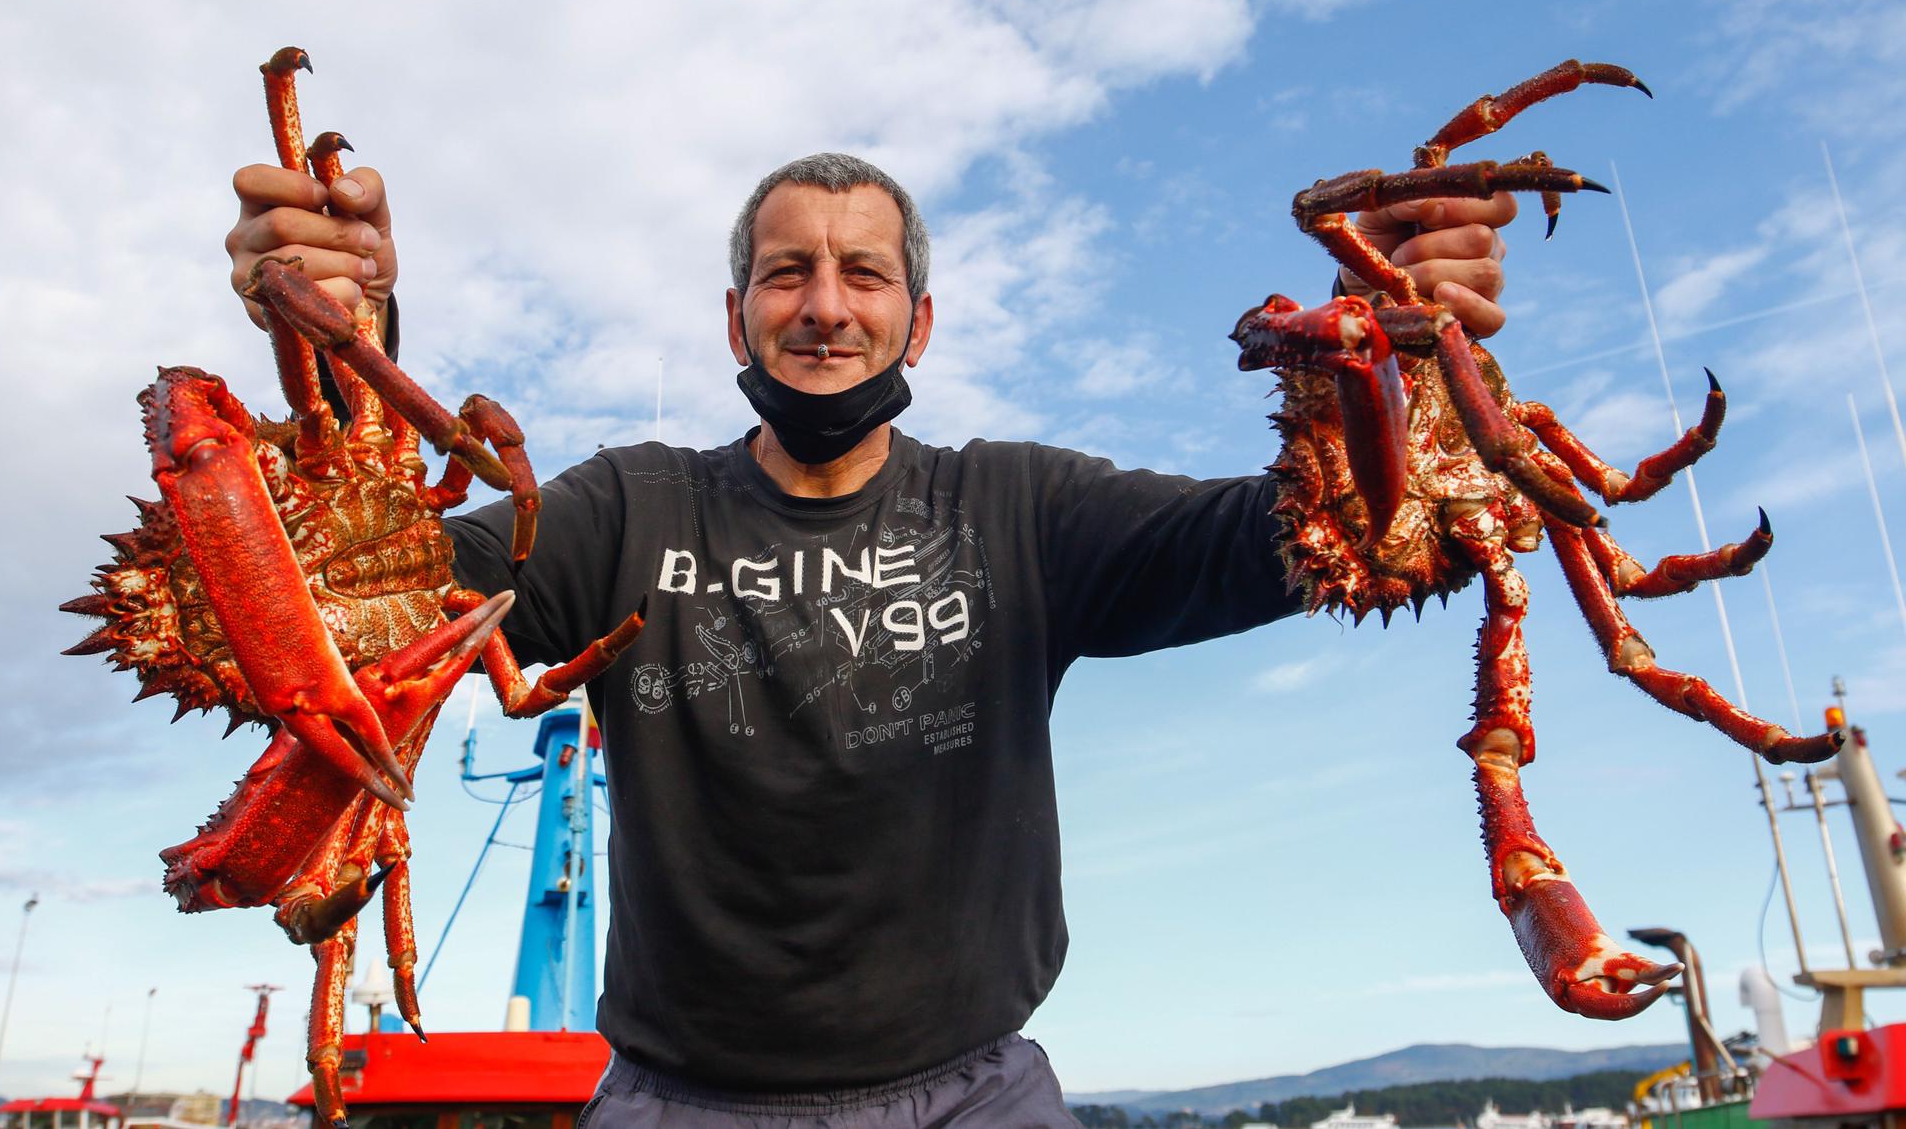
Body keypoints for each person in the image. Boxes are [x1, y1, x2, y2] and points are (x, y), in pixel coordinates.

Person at [226, 153, 1514, 1126]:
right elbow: (346, 600)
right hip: (679, 1101)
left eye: (864, 273)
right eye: (787, 273)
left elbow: (1308, 535)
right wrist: (342, 340)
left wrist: (1390, 340)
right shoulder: (622, 511)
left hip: (973, 1094)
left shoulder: (1022, 509)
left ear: (919, 320)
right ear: (737, 318)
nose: (825, 307)